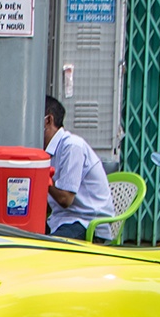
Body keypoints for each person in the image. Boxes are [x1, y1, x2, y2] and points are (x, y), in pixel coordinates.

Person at [43, 95, 113, 240]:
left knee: (48, 249)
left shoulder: (72, 146)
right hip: (61, 220)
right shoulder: (48, 151)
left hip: (87, 224)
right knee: (22, 237)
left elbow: (65, 199)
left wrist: (41, 175)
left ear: (48, 120)